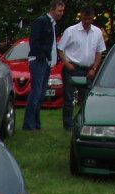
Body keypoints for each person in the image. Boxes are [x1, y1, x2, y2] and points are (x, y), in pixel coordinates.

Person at [58, 6, 106, 128]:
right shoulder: (71, 30)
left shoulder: (97, 32)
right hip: (72, 68)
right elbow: (60, 48)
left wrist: (94, 68)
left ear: (93, 18)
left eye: (90, 19)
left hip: (88, 69)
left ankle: (85, 123)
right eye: (85, 19)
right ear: (81, 16)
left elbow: (100, 52)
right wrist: (67, 63)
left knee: (86, 99)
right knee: (69, 98)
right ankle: (68, 125)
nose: (87, 21)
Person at [23, 1, 66, 131]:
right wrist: (43, 55)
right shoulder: (41, 22)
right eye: (59, 11)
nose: (61, 14)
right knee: (36, 93)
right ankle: (29, 124)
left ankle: (36, 123)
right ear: (52, 10)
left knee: (41, 94)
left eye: (63, 11)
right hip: (38, 61)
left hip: (46, 62)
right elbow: (34, 41)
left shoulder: (54, 25)